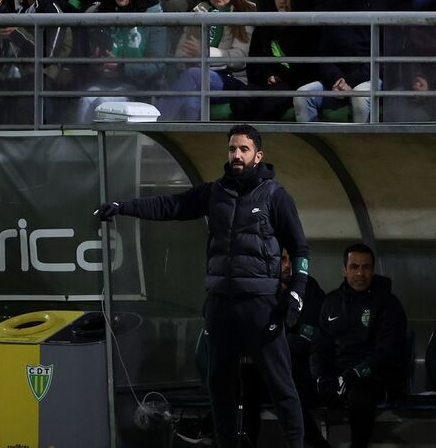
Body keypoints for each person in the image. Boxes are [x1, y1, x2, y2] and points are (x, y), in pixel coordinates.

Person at [96, 124, 310, 448]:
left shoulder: (276, 196)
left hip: (261, 306)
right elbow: (170, 206)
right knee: (220, 387)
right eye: (232, 149)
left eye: (244, 149)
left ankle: (297, 444)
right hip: (220, 305)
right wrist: (123, 207)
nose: (236, 155)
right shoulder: (214, 192)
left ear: (258, 155)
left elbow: (300, 249)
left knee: (282, 386)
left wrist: (296, 294)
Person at [311, 243, 408, 448]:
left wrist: (352, 375)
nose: (360, 273)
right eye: (354, 267)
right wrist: (321, 377)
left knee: (360, 396)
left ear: (373, 270)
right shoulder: (331, 302)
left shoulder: (388, 305)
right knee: (294, 390)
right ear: (344, 270)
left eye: (366, 267)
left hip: (374, 377)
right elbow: (320, 347)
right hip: (338, 374)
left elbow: (386, 353)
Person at [241, 248, 331, 448]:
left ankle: (316, 444)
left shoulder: (311, 291)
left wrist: (266, 346)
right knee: (246, 380)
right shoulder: (263, 290)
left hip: (300, 372)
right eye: (282, 259)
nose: (288, 265)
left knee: (280, 385)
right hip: (267, 371)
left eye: (292, 260)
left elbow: (305, 339)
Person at [293, 0, 392, 123]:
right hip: (337, 80)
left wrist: (350, 80)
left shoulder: (386, 5)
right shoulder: (334, 5)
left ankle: (361, 148)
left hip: (371, 78)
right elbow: (324, 52)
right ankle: (316, 148)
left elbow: (385, 57)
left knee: (360, 97)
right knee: (302, 95)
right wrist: (337, 78)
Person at [156, 0, 256, 121]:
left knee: (194, 74)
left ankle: (158, 125)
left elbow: (240, 59)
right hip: (196, 78)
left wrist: (205, 52)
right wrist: (188, 57)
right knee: (190, 100)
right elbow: (181, 53)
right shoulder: (199, 12)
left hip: (231, 80)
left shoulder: (244, 13)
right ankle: (191, 142)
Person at [76, 0, 168, 122]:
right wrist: (98, 62)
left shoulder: (154, 17)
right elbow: (91, 54)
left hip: (139, 87)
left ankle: (104, 146)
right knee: (86, 100)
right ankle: (81, 145)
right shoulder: (103, 14)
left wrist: (121, 66)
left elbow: (157, 64)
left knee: (102, 104)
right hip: (106, 82)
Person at [232, 0, 319, 121]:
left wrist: (280, 77)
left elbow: (308, 71)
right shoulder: (265, 23)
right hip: (267, 83)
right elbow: (253, 64)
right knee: (240, 98)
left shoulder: (308, 27)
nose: (282, 1)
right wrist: (267, 75)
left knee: (268, 103)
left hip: (294, 85)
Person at [8, 0, 73, 122]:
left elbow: (48, 57)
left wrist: (16, 34)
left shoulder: (53, 11)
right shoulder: (22, 10)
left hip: (45, 80)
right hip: (21, 74)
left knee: (24, 107)